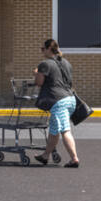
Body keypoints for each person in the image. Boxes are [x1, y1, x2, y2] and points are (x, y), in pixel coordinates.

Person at [33, 38, 80, 167]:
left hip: (58, 101)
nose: (42, 52)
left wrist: (36, 73)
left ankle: (74, 159)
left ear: (49, 49)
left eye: (43, 49)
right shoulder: (66, 63)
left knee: (65, 130)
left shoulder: (45, 64)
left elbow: (39, 82)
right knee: (54, 131)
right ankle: (45, 156)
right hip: (70, 99)